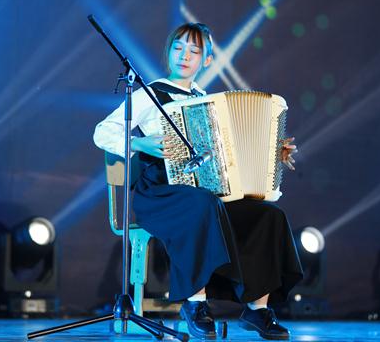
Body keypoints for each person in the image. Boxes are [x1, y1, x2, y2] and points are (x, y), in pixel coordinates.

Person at [94, 23, 302, 340]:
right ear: (168, 52)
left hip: (203, 193)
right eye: (178, 48)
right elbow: (102, 132)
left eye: (194, 51)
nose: (184, 55)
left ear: (206, 60)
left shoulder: (206, 100)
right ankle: (195, 303)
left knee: (268, 216)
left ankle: (257, 309)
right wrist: (140, 143)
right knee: (202, 204)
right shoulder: (151, 93)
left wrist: (273, 152)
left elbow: (227, 154)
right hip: (160, 193)